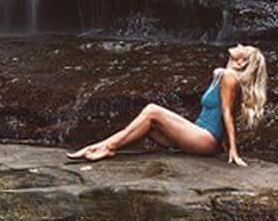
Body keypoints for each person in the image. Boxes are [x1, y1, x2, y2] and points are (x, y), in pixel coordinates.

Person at [67, 44, 267, 165]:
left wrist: (232, 150)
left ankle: (107, 147)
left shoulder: (230, 78)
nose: (239, 45)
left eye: (244, 48)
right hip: (198, 133)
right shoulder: (222, 74)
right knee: (148, 126)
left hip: (205, 138)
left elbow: (227, 113)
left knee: (152, 110)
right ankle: (98, 147)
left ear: (242, 63)